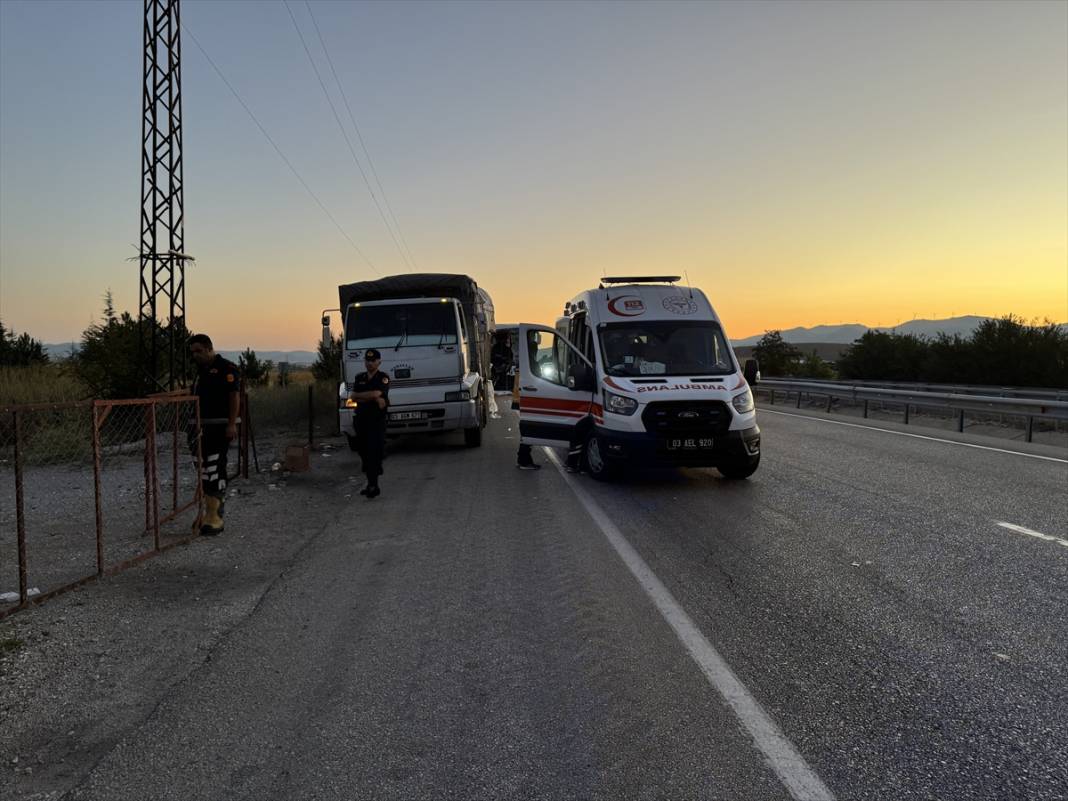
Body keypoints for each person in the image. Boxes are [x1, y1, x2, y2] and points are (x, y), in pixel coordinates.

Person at [188, 334, 241, 535]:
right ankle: (207, 513)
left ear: (209, 349)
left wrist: (231, 424)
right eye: (193, 352)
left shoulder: (227, 368)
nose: (195, 356)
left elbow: (234, 396)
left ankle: (216, 516)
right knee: (202, 469)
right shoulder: (200, 372)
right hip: (198, 426)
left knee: (214, 467)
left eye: (199, 351)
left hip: (218, 426)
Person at [349, 348, 390, 498]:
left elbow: (377, 393)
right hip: (361, 420)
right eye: (367, 360)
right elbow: (353, 396)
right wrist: (372, 397)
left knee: (374, 451)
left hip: (376, 421)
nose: (370, 363)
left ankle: (373, 485)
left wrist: (366, 396)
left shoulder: (383, 378)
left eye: (373, 360)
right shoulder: (359, 377)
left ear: (379, 362)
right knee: (363, 452)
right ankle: (372, 481)